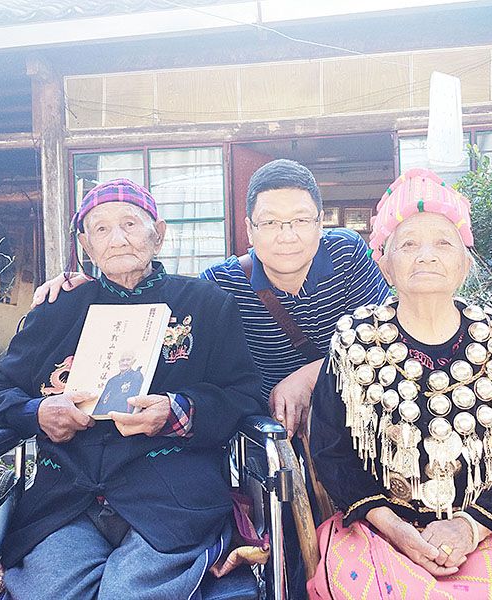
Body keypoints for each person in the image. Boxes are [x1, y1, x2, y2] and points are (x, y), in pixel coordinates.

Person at [33, 159, 391, 599]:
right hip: (275, 425)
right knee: (286, 524)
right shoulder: (218, 286)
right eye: (270, 222)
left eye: (300, 220)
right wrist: (78, 287)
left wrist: (309, 375)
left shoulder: (349, 254)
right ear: (249, 229)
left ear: (320, 223)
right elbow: (149, 294)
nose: (286, 234)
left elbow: (385, 330)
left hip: (357, 418)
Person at [0, 179, 264, 600]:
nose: (117, 239)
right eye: (101, 229)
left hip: (173, 499)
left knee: (128, 593)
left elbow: (244, 395)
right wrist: (38, 413)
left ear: (158, 234)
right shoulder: (57, 309)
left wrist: (177, 410)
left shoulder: (206, 304)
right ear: (86, 246)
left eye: (129, 223)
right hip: (65, 501)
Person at [308, 168, 492, 599]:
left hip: (481, 537)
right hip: (378, 535)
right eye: (408, 244)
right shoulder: (354, 345)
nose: (426, 256)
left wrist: (469, 528)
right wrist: (395, 528)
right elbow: (332, 452)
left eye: (443, 243)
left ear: (465, 264)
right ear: (384, 265)